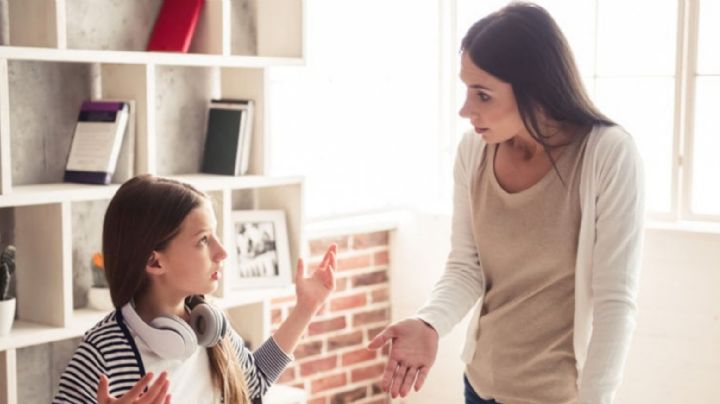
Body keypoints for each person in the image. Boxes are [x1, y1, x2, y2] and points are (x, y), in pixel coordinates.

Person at [368, 3, 644, 404]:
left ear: (536, 89)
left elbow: (615, 301)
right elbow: (467, 267)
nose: (465, 110)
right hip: (481, 387)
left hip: (558, 396)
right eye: (466, 90)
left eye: (483, 94)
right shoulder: (474, 152)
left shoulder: (607, 154)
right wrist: (429, 323)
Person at [53, 175, 337, 404]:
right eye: (203, 240)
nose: (222, 251)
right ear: (154, 261)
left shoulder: (210, 327)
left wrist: (306, 308)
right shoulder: (101, 353)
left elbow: (254, 383)